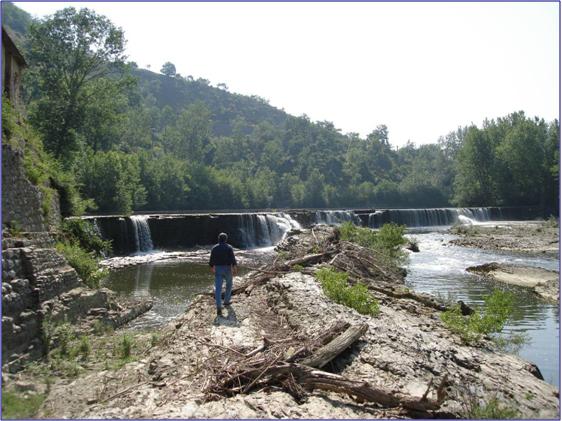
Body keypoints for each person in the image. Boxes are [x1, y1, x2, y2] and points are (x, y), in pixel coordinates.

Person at [209, 232, 237, 316]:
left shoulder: (214, 248)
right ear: (226, 239)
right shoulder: (229, 247)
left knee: (218, 288)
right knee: (229, 284)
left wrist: (212, 267)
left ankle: (218, 306)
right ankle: (226, 301)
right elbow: (232, 258)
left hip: (218, 269)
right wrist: (235, 267)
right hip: (227, 268)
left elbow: (211, 259)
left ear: (218, 239)